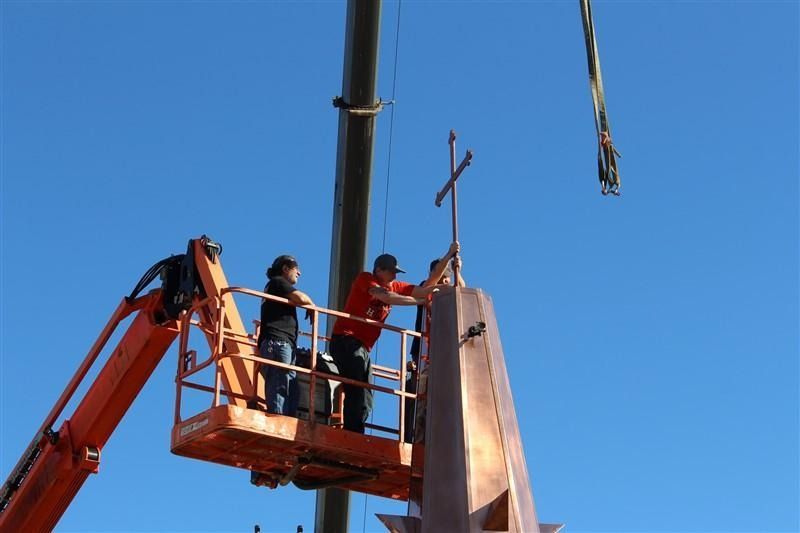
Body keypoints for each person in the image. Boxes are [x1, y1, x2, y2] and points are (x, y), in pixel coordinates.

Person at [330, 253, 445, 433]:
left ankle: (355, 432)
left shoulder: (394, 286)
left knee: (366, 396)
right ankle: (352, 434)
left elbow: (424, 288)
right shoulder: (366, 279)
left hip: (362, 347)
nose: (395, 276)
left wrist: (443, 283)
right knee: (358, 391)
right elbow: (387, 297)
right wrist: (421, 301)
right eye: (391, 272)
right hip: (346, 340)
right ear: (378, 270)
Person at [405, 242, 465, 442]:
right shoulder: (426, 289)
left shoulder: (449, 297)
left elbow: (462, 294)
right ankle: (419, 440)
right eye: (442, 277)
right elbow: (430, 285)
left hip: (442, 357)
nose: (444, 283)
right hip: (425, 358)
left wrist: (458, 273)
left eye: (446, 279)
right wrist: (449, 255)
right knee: (422, 402)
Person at [256, 255, 314, 416]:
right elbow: (301, 298)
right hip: (278, 343)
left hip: (283, 344)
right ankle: (278, 418)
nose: (299, 273)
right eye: (297, 269)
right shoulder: (277, 282)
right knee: (280, 383)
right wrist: (312, 306)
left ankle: (285, 419)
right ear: (285, 269)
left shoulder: (277, 287)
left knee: (289, 386)